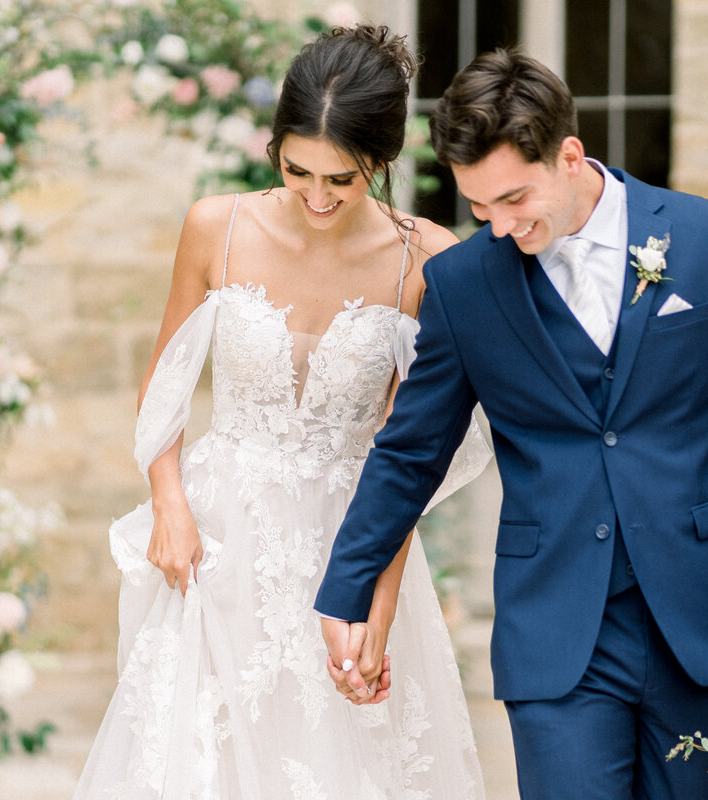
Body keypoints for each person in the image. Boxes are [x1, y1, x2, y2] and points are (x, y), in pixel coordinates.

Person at [315, 49, 708, 800]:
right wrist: (345, 590)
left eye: (516, 199)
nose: (499, 226)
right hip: (557, 632)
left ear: (570, 154)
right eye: (479, 207)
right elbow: (411, 450)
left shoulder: (707, 239)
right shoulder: (461, 284)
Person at [73, 25, 490, 799]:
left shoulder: (428, 258)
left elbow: (411, 452)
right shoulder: (215, 227)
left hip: (355, 541)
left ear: (383, 162)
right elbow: (162, 389)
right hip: (221, 540)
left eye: (346, 177)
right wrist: (169, 503)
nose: (319, 196)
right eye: (299, 171)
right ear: (275, 147)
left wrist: (381, 604)